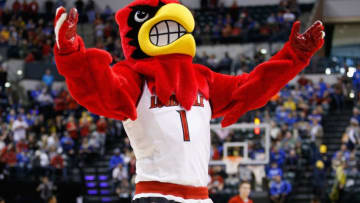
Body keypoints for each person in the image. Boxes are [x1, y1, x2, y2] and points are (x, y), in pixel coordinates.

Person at [53, 1, 325, 201]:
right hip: (157, 193)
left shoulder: (202, 78)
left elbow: (253, 86)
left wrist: (295, 55)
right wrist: (71, 52)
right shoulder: (133, 77)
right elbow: (100, 88)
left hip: (200, 196)